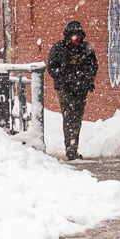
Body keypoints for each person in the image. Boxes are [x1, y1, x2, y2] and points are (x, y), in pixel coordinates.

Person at [46, 20, 99, 161]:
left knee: (77, 118)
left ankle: (73, 146)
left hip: (81, 88)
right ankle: (71, 149)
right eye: (74, 36)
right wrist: (63, 79)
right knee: (69, 117)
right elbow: (51, 66)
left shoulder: (86, 48)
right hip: (65, 89)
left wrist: (87, 81)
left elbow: (93, 66)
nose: (76, 39)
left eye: (78, 36)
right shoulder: (59, 48)